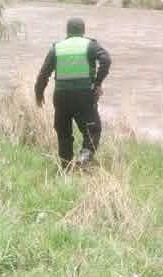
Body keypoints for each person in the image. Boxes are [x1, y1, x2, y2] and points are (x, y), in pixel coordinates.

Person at [34, 17, 111, 167]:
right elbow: (106, 60)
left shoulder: (57, 48)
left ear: (67, 31)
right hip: (84, 95)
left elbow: (44, 74)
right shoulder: (90, 45)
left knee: (63, 134)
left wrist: (39, 93)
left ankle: (65, 168)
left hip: (61, 96)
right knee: (93, 130)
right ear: (83, 31)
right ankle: (85, 156)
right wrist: (97, 83)